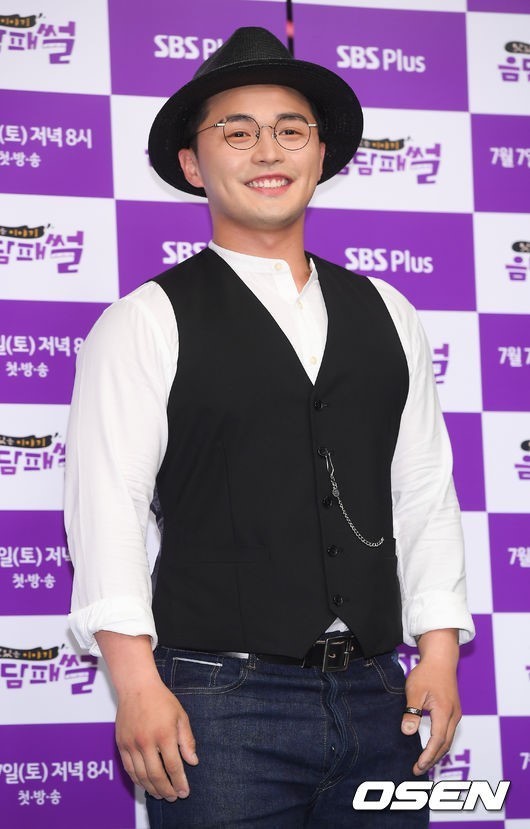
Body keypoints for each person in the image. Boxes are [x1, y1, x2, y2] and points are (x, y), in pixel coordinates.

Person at [65, 26, 475, 828]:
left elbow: (423, 488)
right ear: (193, 164)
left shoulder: (390, 312)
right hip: (218, 705)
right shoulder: (144, 320)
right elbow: (106, 504)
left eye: (291, 129)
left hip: (380, 697)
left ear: (320, 155)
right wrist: (137, 682)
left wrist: (438, 650)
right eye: (237, 132)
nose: (267, 151)